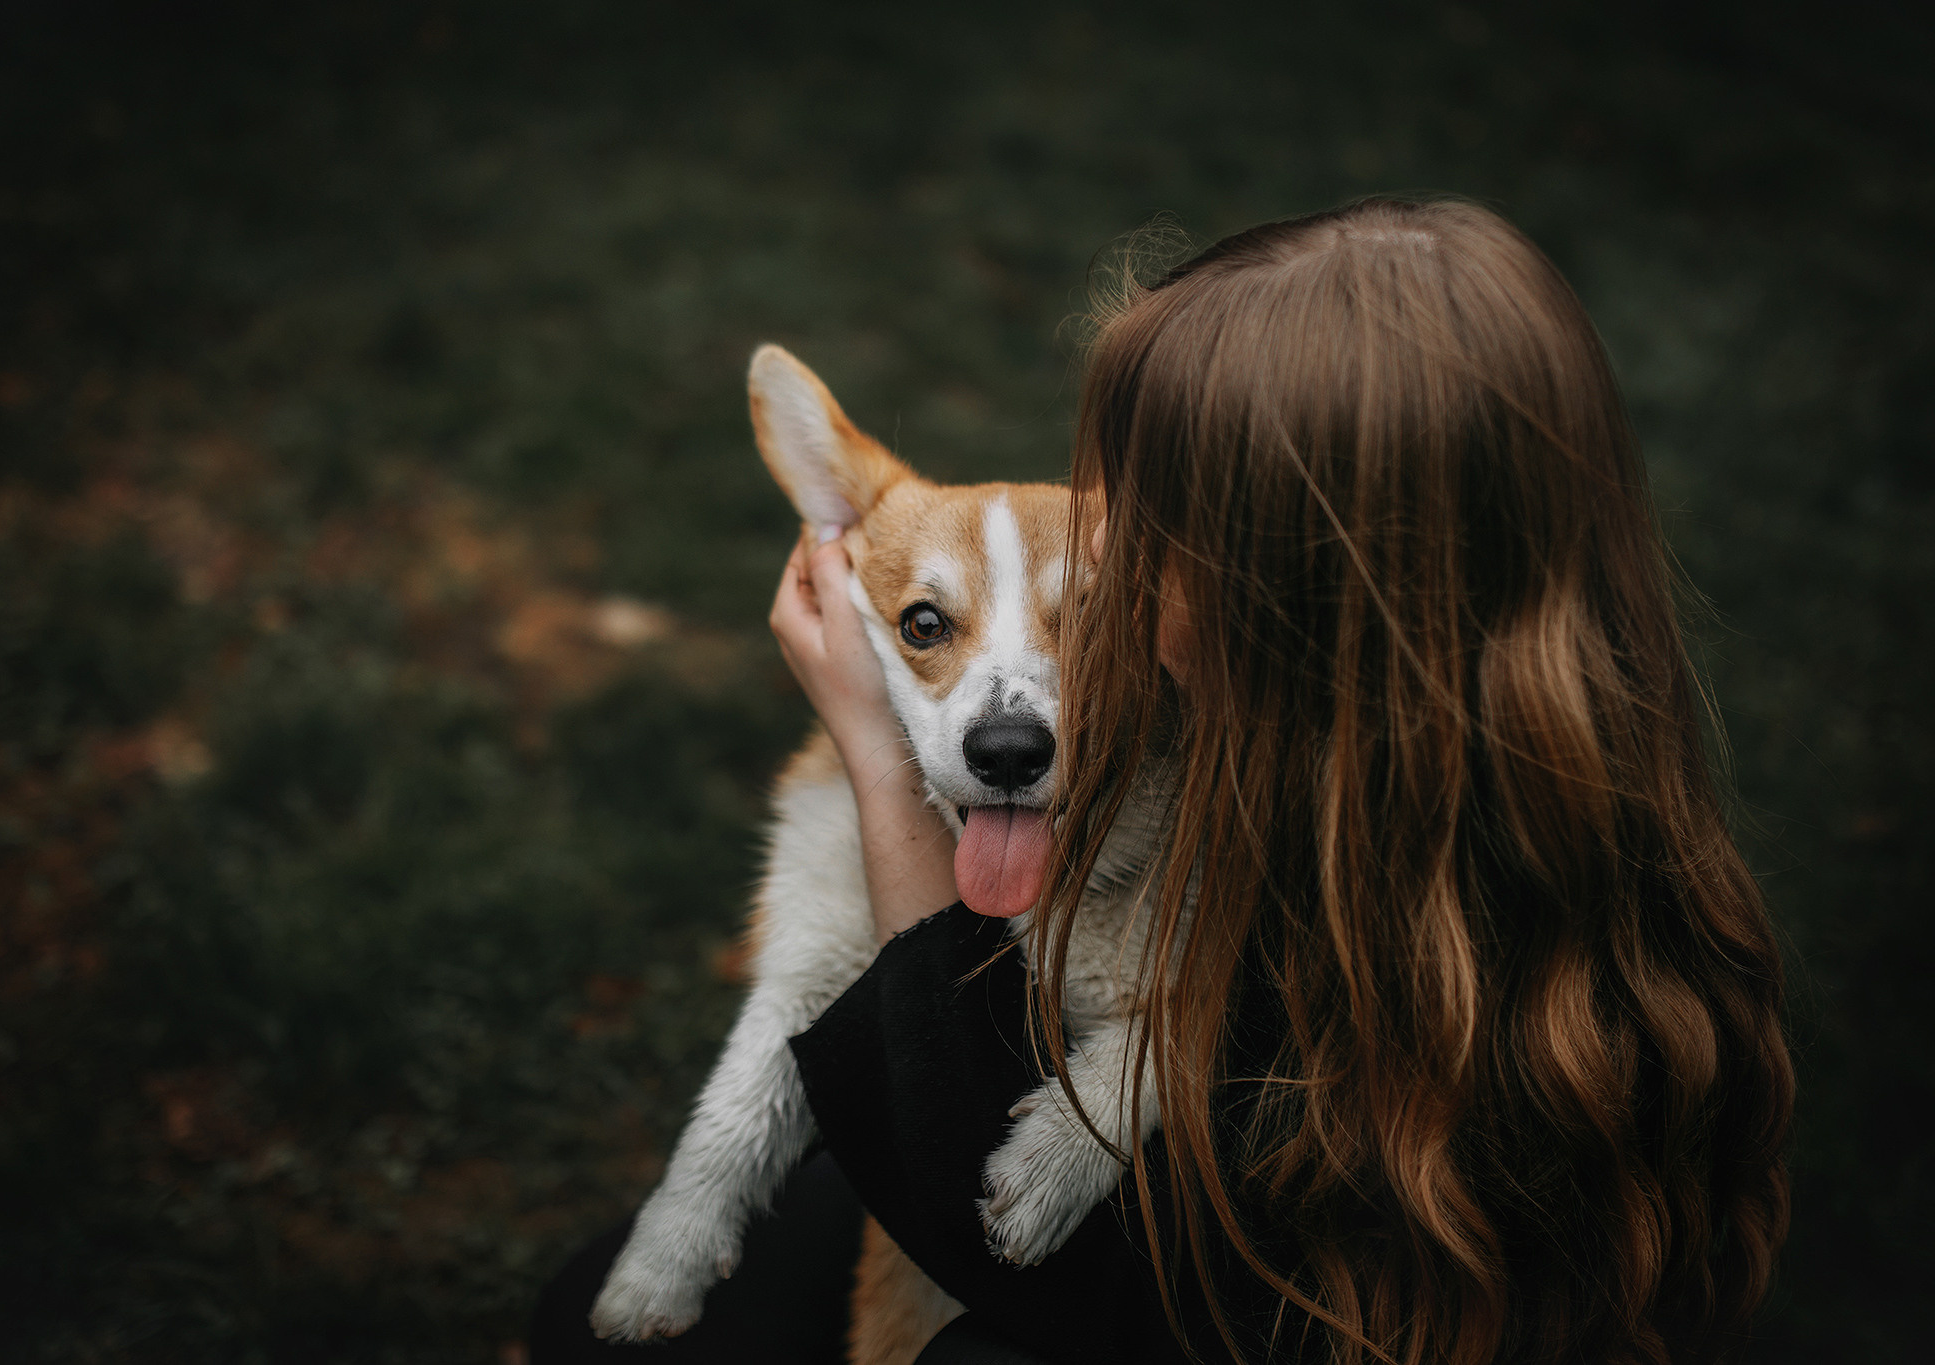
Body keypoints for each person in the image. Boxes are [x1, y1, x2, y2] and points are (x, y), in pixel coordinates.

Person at [531, 197, 1793, 1365]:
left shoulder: (1328, 983)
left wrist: (876, 757)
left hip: (1141, 1313)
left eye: (1158, 535)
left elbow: (993, 1225)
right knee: (604, 1288)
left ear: (1319, 603)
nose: (1111, 557)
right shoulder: (1553, 830)